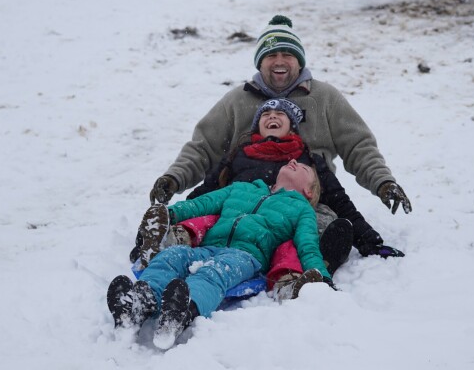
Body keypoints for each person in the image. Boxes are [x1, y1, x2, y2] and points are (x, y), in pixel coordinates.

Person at [131, 98, 404, 299]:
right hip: (237, 213)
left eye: (281, 114)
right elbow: (206, 193)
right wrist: (167, 215)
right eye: (266, 114)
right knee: (206, 217)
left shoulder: (307, 160)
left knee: (312, 226)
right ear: (257, 127)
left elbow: (339, 199)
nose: (273, 116)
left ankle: (309, 272)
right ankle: (164, 243)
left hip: (282, 222)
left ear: (293, 128)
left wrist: (370, 241)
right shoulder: (240, 154)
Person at [149, 15, 412, 220]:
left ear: (299, 62)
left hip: (308, 201)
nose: (280, 61)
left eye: (287, 54)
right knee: (206, 224)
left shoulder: (324, 98)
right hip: (243, 200)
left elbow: (358, 146)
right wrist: (174, 178)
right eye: (271, 55)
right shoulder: (237, 101)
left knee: (322, 229)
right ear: (260, 63)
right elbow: (203, 148)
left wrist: (383, 182)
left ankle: (306, 274)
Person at [107, 160, 333, 350]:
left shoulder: (302, 209)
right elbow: (204, 203)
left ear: (309, 191)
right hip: (209, 246)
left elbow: (308, 246)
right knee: (172, 256)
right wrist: (169, 214)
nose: (293, 161)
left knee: (214, 273)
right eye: (291, 161)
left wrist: (322, 279)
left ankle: (182, 311)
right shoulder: (243, 188)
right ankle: (140, 302)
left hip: (246, 256)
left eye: (303, 168)